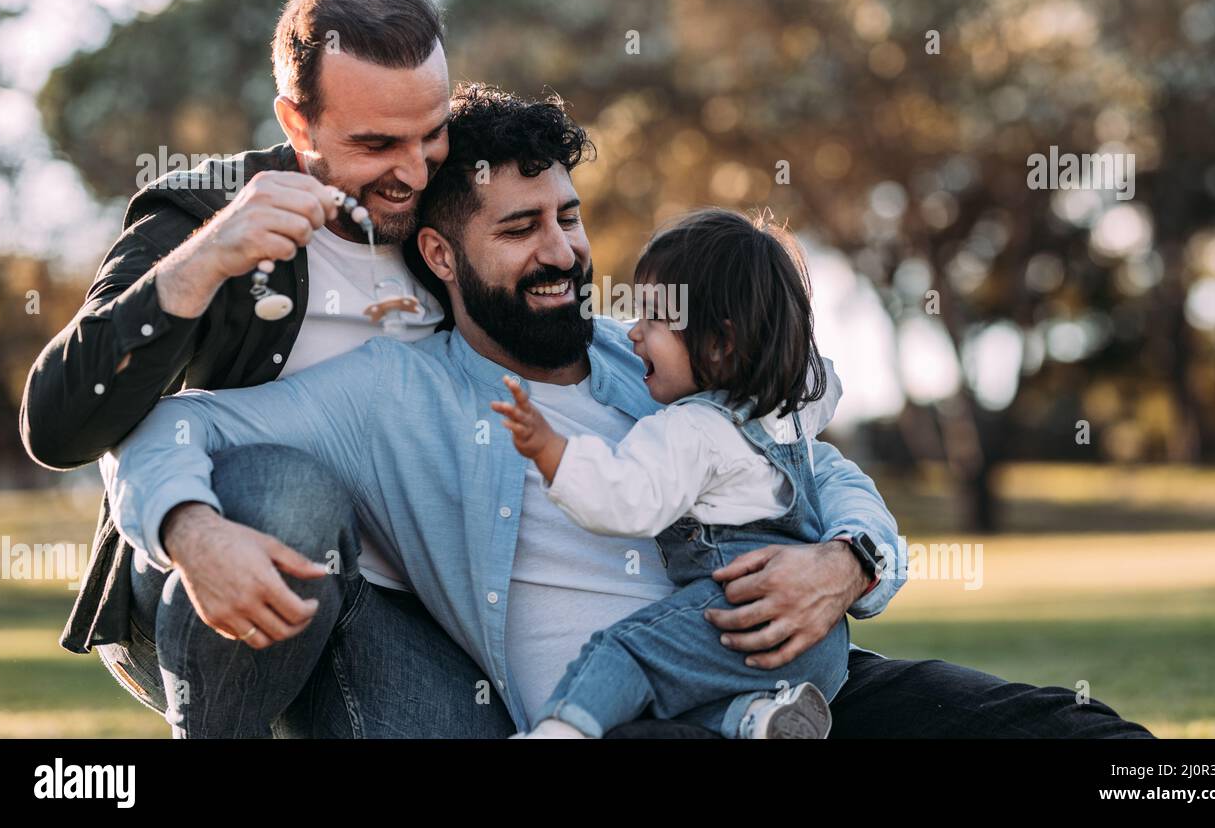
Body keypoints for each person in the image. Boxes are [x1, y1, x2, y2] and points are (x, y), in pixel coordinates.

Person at [100, 82, 1155, 738]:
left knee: (1085, 738)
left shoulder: (646, 358)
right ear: (440, 252)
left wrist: (851, 562)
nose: (561, 249)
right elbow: (165, 422)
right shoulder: (391, 390)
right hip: (618, 712)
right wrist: (190, 530)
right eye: (519, 227)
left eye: (568, 215)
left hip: (787, 673)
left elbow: (809, 446)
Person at [18, 0, 514, 736]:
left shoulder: (460, 207)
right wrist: (200, 263)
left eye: (432, 132)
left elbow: (579, 368)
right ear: (298, 122)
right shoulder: (203, 211)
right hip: (199, 573)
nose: (414, 170)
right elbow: (57, 429)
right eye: (376, 143)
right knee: (290, 490)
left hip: (396, 602)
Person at [493, 209, 853, 738]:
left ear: (718, 343)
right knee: (676, 683)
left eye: (655, 320)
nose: (634, 333)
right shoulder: (793, 405)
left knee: (627, 654)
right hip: (822, 645)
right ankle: (759, 719)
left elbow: (625, 500)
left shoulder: (691, 430)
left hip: (750, 620)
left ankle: (560, 731)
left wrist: (550, 450)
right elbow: (826, 378)